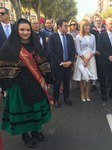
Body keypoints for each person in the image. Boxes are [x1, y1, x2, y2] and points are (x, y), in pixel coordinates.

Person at [0, 18, 52, 148]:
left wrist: (48, 78)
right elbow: (3, 67)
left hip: (36, 82)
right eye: (22, 30)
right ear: (16, 30)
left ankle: (35, 131)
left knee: (36, 109)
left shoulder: (35, 43)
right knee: (24, 111)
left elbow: (43, 61)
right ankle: (25, 135)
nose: (26, 32)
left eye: (28, 30)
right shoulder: (9, 46)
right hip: (19, 84)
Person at [48, 19, 75, 108]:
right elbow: (51, 52)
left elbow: (72, 50)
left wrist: (70, 61)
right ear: (59, 26)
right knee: (57, 83)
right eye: (65, 26)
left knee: (67, 82)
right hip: (58, 65)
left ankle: (66, 98)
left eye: (68, 25)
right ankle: (56, 99)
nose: (68, 27)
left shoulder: (69, 37)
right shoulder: (52, 36)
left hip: (68, 64)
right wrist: (61, 62)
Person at [73, 19, 97, 102]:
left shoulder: (93, 36)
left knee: (89, 78)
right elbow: (78, 49)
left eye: (88, 25)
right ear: (82, 27)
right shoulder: (78, 37)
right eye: (85, 25)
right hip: (81, 58)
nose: (87, 27)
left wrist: (88, 59)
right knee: (82, 77)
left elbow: (94, 49)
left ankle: (87, 93)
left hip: (91, 58)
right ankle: (82, 93)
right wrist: (84, 59)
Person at [90, 16, 106, 92]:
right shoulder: (91, 31)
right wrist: (95, 51)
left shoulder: (105, 30)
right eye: (97, 20)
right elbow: (90, 43)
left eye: (100, 20)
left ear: (102, 21)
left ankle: (102, 83)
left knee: (102, 69)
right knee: (94, 68)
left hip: (103, 53)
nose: (99, 22)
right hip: (94, 53)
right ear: (94, 21)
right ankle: (93, 83)